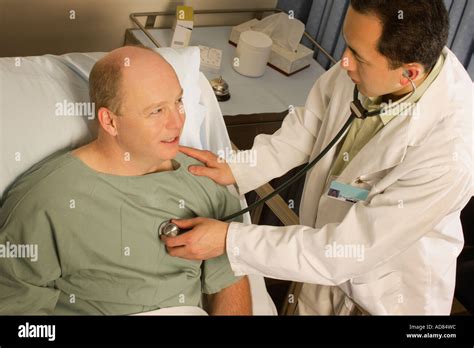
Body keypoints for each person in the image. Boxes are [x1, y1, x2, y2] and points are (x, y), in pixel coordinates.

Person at [161, 0, 473, 315]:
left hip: (380, 297)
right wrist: (239, 167)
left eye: (358, 57)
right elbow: (309, 128)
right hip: (320, 265)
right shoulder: (371, 67)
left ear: (409, 74)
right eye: (348, 45)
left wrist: (230, 241)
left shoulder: (450, 152)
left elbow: (346, 253)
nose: (344, 62)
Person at [0, 46, 252, 315]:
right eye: (156, 111)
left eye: (178, 101)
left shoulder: (204, 179)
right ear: (109, 121)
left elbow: (229, 281)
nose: (177, 121)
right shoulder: (46, 201)